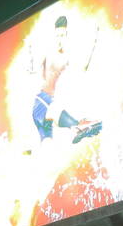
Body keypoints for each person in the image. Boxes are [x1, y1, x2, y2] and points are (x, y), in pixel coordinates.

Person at [31, 15, 101, 145]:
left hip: (47, 108)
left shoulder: (66, 57)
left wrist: (93, 43)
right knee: (54, 109)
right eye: (57, 36)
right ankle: (77, 126)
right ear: (54, 35)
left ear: (67, 35)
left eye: (62, 36)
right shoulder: (48, 51)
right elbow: (34, 69)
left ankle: (77, 127)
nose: (59, 40)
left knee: (47, 145)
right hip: (42, 103)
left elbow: (83, 67)